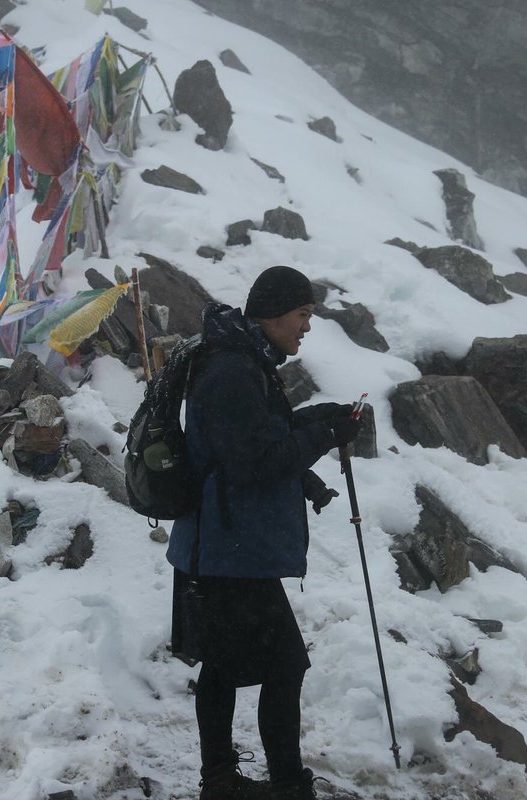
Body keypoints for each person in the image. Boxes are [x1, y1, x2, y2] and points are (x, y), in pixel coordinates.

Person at [167, 265, 362, 800]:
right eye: (302, 314)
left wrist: (321, 419)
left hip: (221, 546)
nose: (307, 327)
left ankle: (222, 781)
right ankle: (284, 784)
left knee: (224, 665)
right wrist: (325, 434)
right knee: (283, 664)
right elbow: (256, 462)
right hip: (227, 550)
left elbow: (259, 433)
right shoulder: (232, 369)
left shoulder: (242, 359)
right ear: (273, 314)